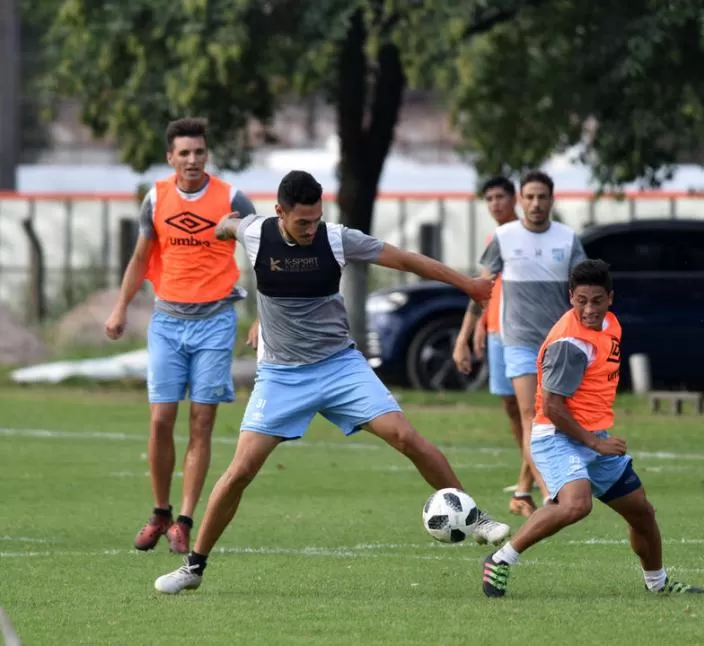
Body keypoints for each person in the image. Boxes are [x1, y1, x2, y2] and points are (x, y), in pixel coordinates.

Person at [153, 170, 512, 594]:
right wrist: (224, 226)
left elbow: (406, 259)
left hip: (340, 367)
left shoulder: (336, 238)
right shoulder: (255, 233)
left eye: (316, 219)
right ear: (279, 213)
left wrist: (468, 285)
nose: (311, 228)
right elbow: (227, 226)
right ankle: (193, 567)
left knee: (405, 436)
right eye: (302, 221)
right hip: (282, 376)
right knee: (239, 472)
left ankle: (475, 517)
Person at [480, 259, 704, 598]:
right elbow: (553, 408)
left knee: (642, 512)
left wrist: (597, 441)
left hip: (592, 437)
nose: (588, 309)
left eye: (596, 300)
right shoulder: (569, 344)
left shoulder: (611, 325)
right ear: (571, 297)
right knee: (576, 504)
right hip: (557, 437)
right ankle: (500, 559)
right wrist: (596, 445)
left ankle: (658, 584)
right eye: (581, 300)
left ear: (610, 298)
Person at [104, 117, 257, 554]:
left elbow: (265, 252)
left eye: (199, 152)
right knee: (160, 419)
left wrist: (264, 316)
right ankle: (160, 511)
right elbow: (140, 258)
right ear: (171, 157)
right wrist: (119, 308)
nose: (192, 160)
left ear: (206, 155)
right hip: (167, 322)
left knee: (202, 421)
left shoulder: (232, 198)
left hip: (215, 323)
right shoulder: (156, 198)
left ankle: (184, 521)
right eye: (184, 153)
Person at [478, 170, 587, 508]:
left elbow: (584, 290)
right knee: (530, 415)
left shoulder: (567, 239)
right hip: (520, 342)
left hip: (560, 344)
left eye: (542, 197)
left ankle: (529, 488)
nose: (536, 203)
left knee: (552, 416)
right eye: (530, 197)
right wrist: (468, 333)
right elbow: (481, 289)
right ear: (520, 200)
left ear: (552, 200)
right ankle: (549, 491)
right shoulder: (504, 236)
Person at [452, 175, 538, 517]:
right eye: (488, 198)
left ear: (514, 198)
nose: (495, 204)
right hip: (498, 333)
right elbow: (483, 289)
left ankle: (526, 488)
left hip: (526, 335)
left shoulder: (529, 234)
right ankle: (531, 471)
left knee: (533, 412)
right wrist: (474, 329)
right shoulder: (496, 238)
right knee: (512, 410)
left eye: (500, 197)